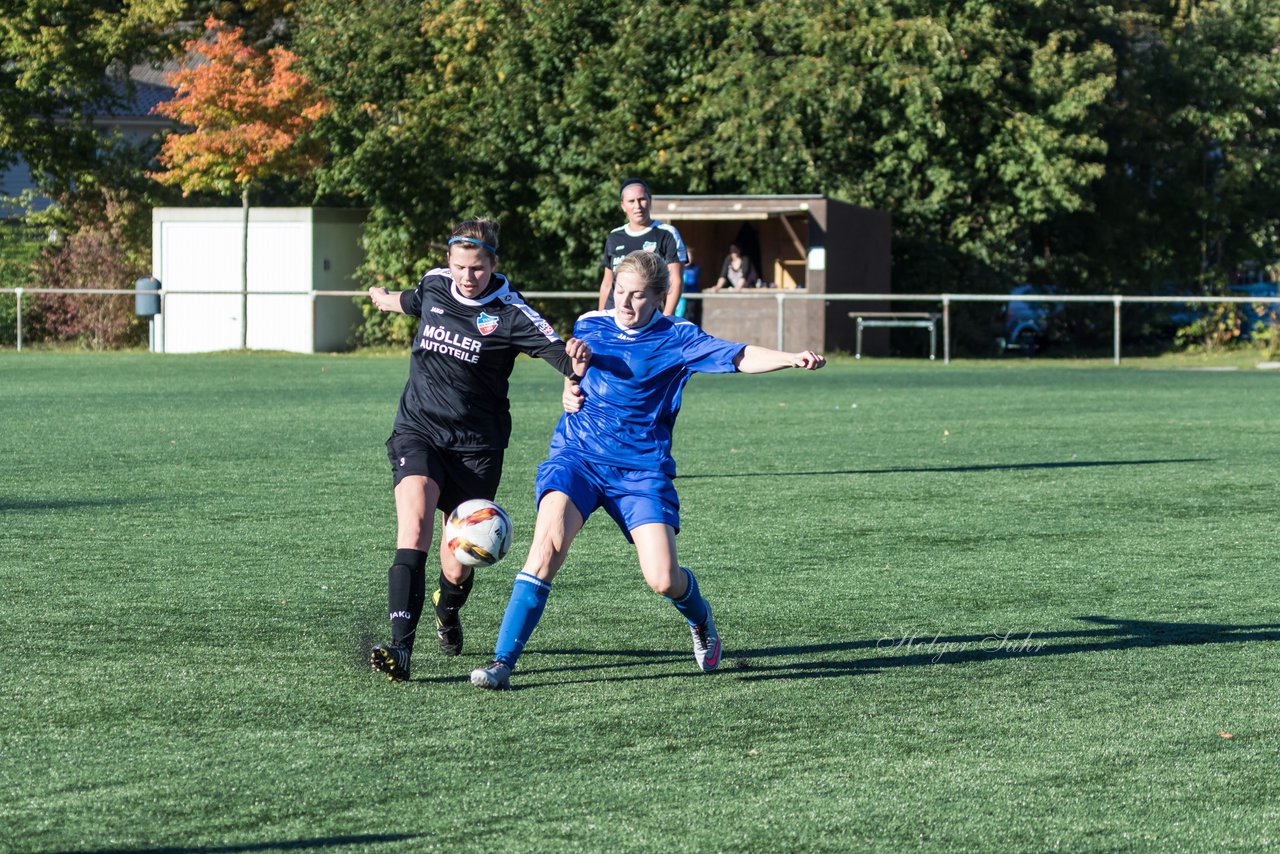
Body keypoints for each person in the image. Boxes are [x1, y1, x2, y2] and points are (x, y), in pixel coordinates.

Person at [471, 250, 825, 690]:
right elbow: (574, 368)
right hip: (577, 457)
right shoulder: (590, 323)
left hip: (640, 470)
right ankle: (503, 662)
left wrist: (790, 357)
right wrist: (570, 387)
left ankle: (701, 620)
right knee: (545, 550)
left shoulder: (678, 337)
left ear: (660, 298)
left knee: (662, 579)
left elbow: (738, 356)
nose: (625, 302)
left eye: (638, 296)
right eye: (621, 291)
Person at [365, 219, 590, 683]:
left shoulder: (511, 313)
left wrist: (576, 368)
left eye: (478, 268)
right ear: (449, 260)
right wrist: (382, 298)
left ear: (493, 264)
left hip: (476, 449)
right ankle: (401, 650)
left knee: (457, 561)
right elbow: (408, 301)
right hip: (419, 430)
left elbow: (563, 358)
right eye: (461, 266)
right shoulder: (434, 284)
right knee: (414, 526)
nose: (468, 276)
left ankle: (446, 612)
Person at [596, 177, 687, 316]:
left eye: (642, 199)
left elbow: (675, 281)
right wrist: (600, 317)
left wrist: (667, 318)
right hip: (613, 317)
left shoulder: (667, 233)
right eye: (631, 201)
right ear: (623, 206)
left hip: (647, 319)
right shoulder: (614, 236)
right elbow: (607, 283)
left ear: (650, 201)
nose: (637, 206)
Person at [675, 246, 702, 326]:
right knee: (679, 314)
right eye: (687, 256)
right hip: (680, 296)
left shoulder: (696, 268)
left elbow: (693, 280)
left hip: (691, 295)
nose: (688, 258)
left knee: (690, 315)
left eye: (690, 256)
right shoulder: (678, 268)